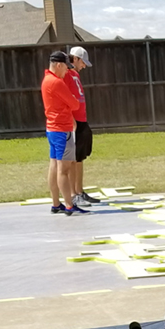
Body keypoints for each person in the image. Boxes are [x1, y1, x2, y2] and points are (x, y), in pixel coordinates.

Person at [40, 51, 84, 214]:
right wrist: (70, 99)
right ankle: (69, 205)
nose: (67, 71)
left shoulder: (46, 80)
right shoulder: (57, 82)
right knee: (63, 169)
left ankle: (56, 203)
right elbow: (74, 104)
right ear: (59, 65)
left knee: (54, 166)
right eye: (66, 67)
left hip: (52, 128)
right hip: (62, 129)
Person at [66, 46, 98, 208]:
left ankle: (79, 190)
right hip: (74, 122)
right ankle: (73, 194)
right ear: (75, 59)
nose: (84, 66)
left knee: (80, 157)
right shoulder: (65, 74)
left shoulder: (75, 75)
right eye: (82, 62)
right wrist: (72, 120)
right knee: (72, 159)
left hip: (82, 120)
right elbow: (64, 99)